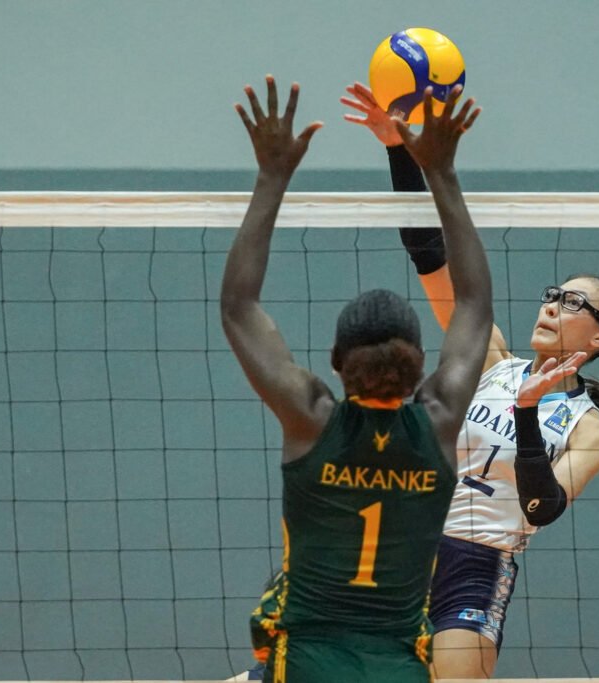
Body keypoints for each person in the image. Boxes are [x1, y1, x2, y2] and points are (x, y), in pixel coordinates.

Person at [342, 82, 599, 679]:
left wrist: (529, 413)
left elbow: (541, 506)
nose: (553, 304)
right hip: (401, 550)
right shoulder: (492, 360)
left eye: (572, 303)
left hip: (475, 566)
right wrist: (398, 150)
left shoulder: (590, 431)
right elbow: (429, 254)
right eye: (553, 294)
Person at [223, 76, 490, 683]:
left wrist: (271, 177)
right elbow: (474, 304)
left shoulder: (312, 418)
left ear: (336, 361)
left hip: (308, 665)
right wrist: (441, 171)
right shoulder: (440, 418)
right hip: (398, 665)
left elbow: (239, 306)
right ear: (420, 366)